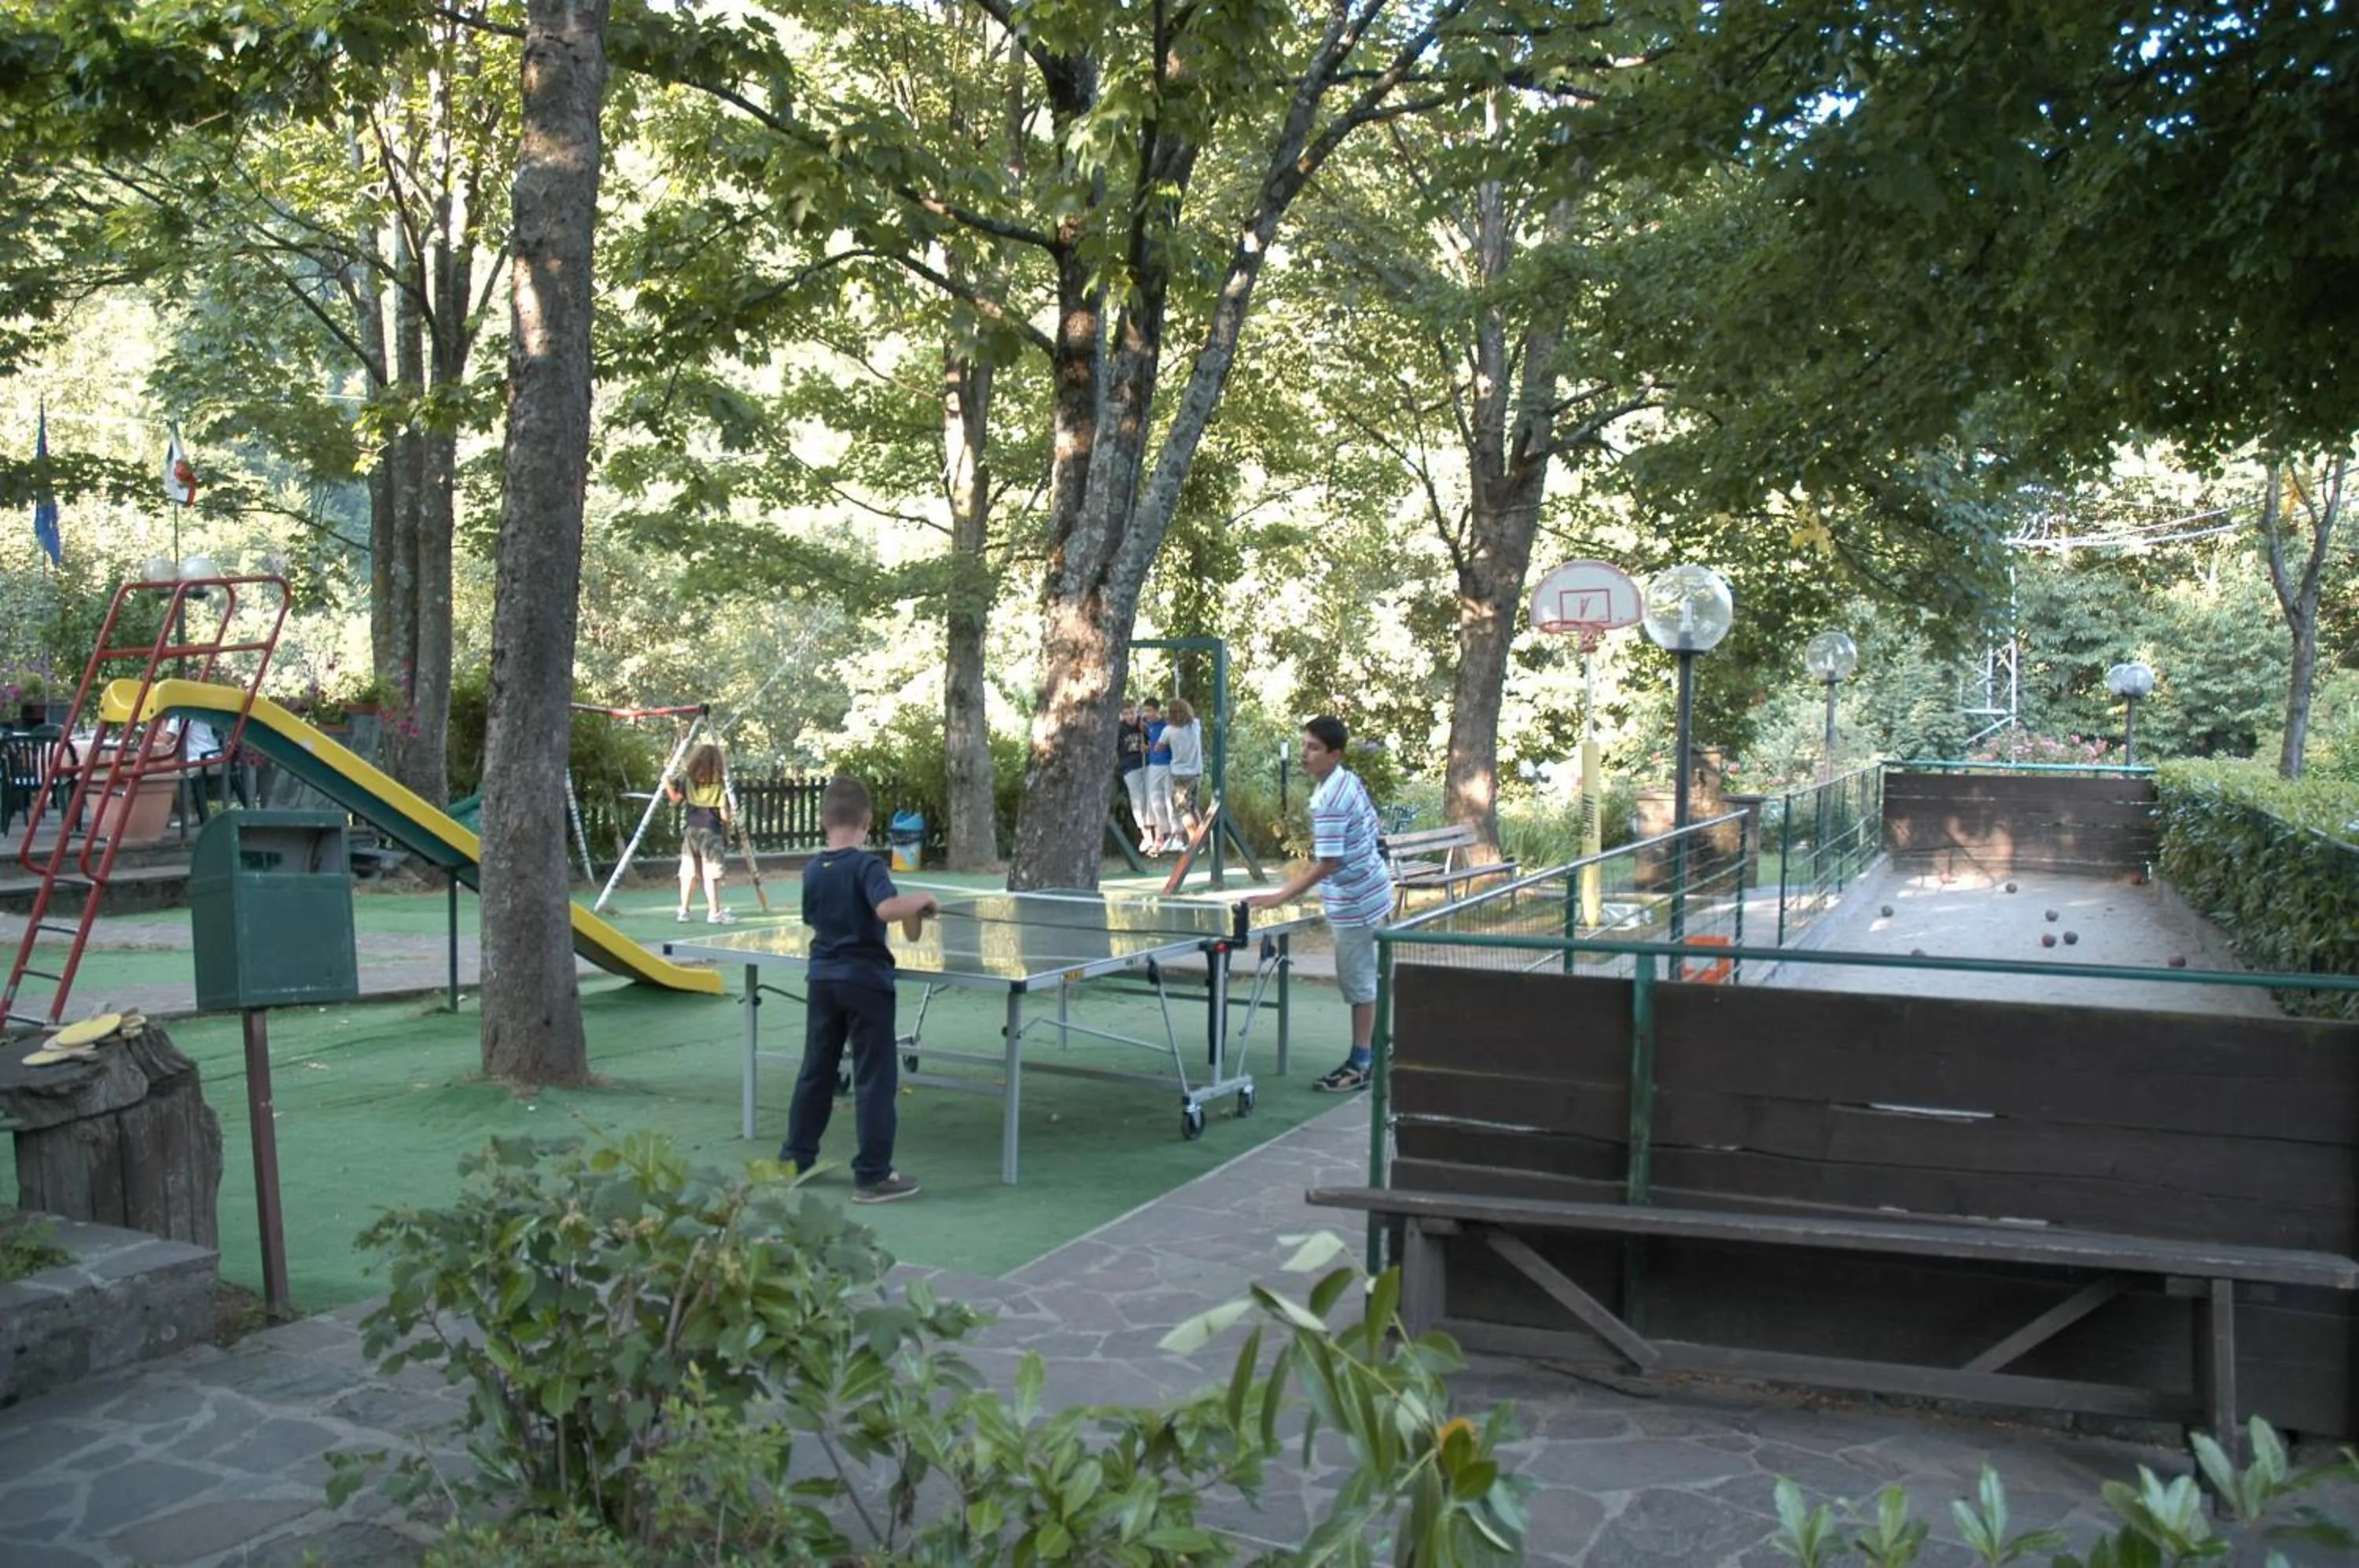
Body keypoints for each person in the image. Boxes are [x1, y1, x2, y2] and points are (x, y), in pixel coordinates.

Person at [780, 775, 935, 1203]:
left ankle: (795, 1159)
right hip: (865, 984)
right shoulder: (869, 866)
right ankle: (873, 1175)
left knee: (817, 1071)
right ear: (868, 822)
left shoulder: (813, 870)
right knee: (874, 1078)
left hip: (823, 981)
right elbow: (886, 909)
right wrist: (922, 900)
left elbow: (813, 918)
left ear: (823, 821)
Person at [1245, 716, 1393, 1091]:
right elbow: (1371, 826)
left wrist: (1278, 896)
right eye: (1304, 745)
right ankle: (1378, 1048)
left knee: (1359, 985)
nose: (1304, 754)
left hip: (1357, 903)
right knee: (1369, 978)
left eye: (1314, 748)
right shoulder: (1348, 780)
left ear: (1335, 755)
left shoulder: (1330, 800)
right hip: (1374, 890)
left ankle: (1361, 1064)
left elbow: (1328, 863)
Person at [664, 741, 735, 923]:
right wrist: (728, 825)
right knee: (711, 873)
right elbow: (724, 815)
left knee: (689, 871)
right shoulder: (719, 785)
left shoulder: (688, 781)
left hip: (691, 830)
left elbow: (675, 800)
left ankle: (684, 910)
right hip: (711, 830)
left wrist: (666, 784)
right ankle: (714, 912)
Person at [1163, 696, 1204, 851]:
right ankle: (1202, 837)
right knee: (1193, 807)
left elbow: (1159, 746)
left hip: (1180, 774)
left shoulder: (1169, 731)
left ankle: (1194, 841)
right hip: (1196, 771)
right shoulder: (1195, 725)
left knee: (1182, 809)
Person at [1115, 696, 1151, 852]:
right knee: (1138, 801)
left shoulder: (1144, 724)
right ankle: (1146, 835)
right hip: (1130, 767)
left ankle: (1158, 835)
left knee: (1152, 798)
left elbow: (1157, 740)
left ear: (1137, 711)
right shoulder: (1119, 729)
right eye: (1126, 714)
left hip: (1147, 764)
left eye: (1132, 713)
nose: (1130, 717)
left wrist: (1147, 744)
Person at [1142, 696, 1174, 855]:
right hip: (1154, 765)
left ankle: (1175, 835)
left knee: (1169, 800)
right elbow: (1152, 743)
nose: (1147, 714)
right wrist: (1147, 748)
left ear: (1157, 710)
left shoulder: (1166, 725)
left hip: (1167, 765)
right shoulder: (1147, 725)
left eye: (1149, 711)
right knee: (1155, 802)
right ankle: (1164, 832)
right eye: (1145, 711)